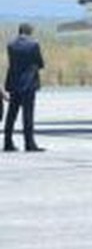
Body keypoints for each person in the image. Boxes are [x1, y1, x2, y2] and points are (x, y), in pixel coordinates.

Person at [4, 23, 46, 152]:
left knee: (11, 115)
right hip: (28, 84)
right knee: (27, 115)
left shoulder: (11, 45)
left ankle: (7, 142)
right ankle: (29, 143)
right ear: (29, 31)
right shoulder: (33, 45)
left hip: (14, 83)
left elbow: (12, 63)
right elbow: (40, 63)